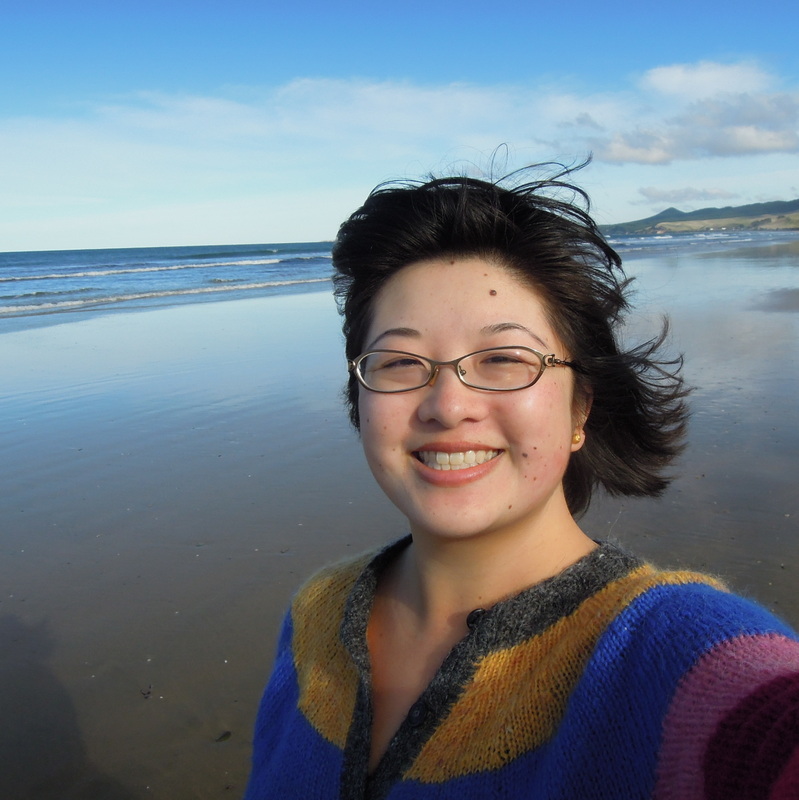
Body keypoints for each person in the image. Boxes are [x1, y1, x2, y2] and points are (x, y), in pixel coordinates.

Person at [243, 163, 799, 799]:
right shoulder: (317, 613)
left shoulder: (673, 652)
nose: (447, 406)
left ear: (580, 409)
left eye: (505, 359)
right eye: (400, 362)